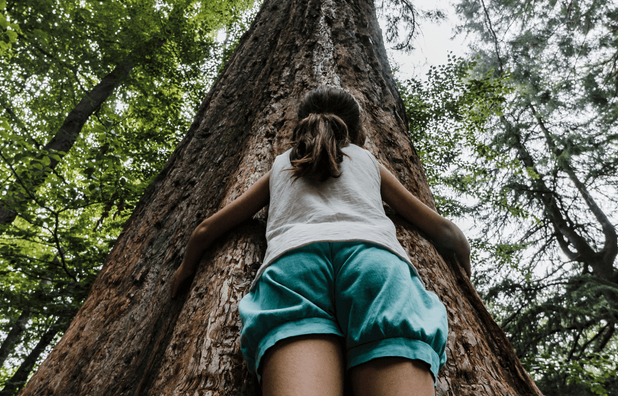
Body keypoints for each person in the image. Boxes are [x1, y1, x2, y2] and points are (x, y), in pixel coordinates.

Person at [170, 86, 471, 396]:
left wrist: (184, 270)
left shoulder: (281, 165)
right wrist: (466, 278)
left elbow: (206, 230)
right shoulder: (367, 161)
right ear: (356, 132)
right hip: (375, 266)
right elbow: (447, 233)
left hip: (294, 268)